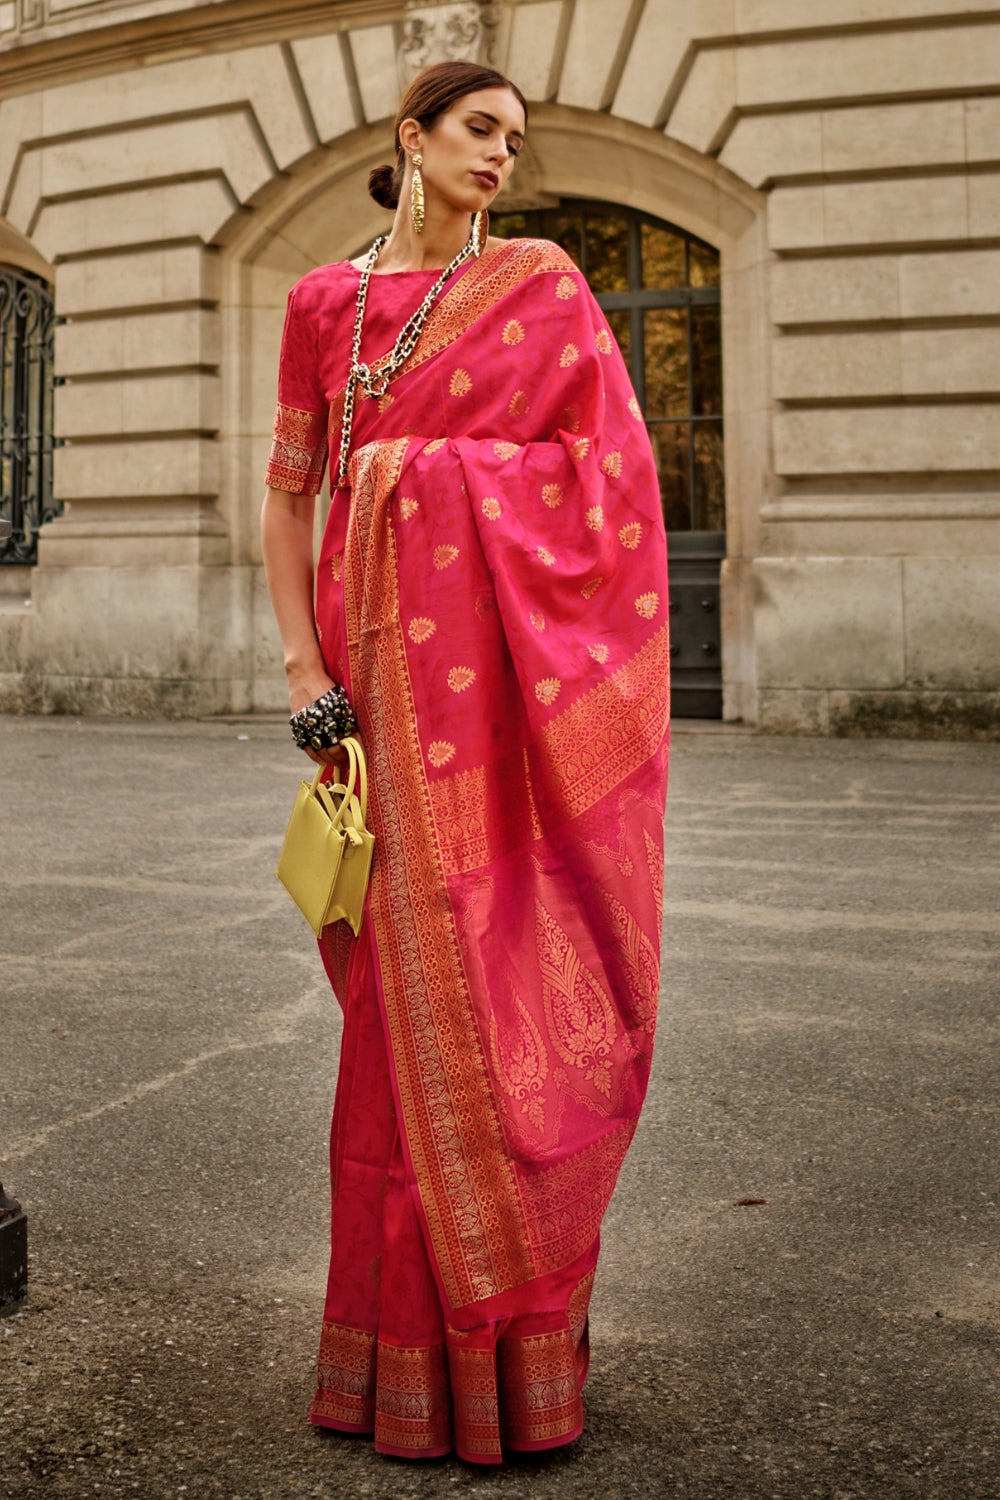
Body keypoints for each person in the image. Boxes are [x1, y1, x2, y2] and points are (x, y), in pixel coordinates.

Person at [261, 59, 670, 1466]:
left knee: (509, 1017)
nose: (504, 155)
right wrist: (307, 674)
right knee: (391, 1027)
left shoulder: (545, 287)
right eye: (480, 130)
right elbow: (292, 495)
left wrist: (421, 478)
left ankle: (513, 1358)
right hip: (371, 705)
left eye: (516, 139)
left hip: (505, 719)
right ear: (412, 138)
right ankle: (396, 1367)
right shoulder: (325, 303)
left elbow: (611, 487)